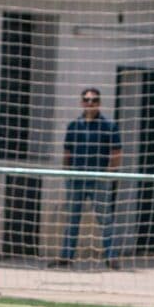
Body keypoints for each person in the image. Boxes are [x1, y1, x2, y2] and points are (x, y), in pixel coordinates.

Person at [49, 87, 123, 270]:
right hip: (76, 179)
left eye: (94, 100)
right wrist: (67, 173)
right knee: (73, 219)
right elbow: (67, 152)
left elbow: (116, 153)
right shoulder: (74, 126)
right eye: (87, 100)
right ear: (82, 102)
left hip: (99, 179)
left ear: (99, 102)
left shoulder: (109, 126)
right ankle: (66, 257)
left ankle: (111, 258)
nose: (91, 103)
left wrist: (108, 174)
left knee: (105, 219)